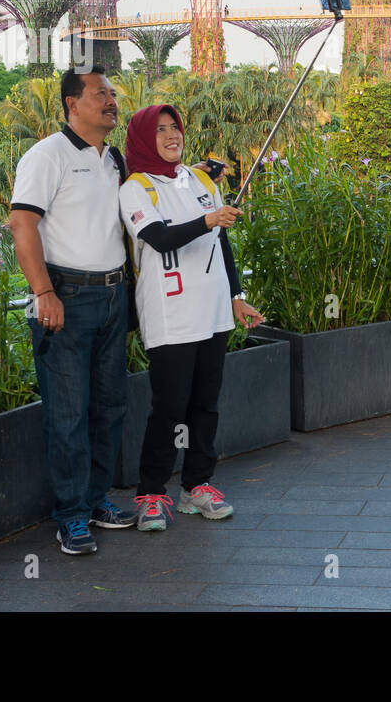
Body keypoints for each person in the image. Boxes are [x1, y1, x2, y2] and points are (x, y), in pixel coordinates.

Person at [9, 66, 137, 556]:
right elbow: (22, 225)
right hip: (66, 299)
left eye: (111, 93)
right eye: (99, 93)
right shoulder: (47, 155)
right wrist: (44, 293)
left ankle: (96, 499)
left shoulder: (113, 159)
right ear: (71, 104)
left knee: (110, 407)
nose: (110, 100)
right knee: (67, 414)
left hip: (112, 296)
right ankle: (70, 517)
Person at [120, 104, 265, 531]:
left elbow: (222, 244)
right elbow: (159, 238)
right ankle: (151, 493)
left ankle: (198, 486)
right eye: (161, 130)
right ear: (146, 139)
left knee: (205, 404)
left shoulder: (200, 179)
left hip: (215, 310)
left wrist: (236, 296)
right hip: (170, 314)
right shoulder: (136, 187)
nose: (171, 136)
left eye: (175, 128)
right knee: (169, 406)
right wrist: (208, 219)